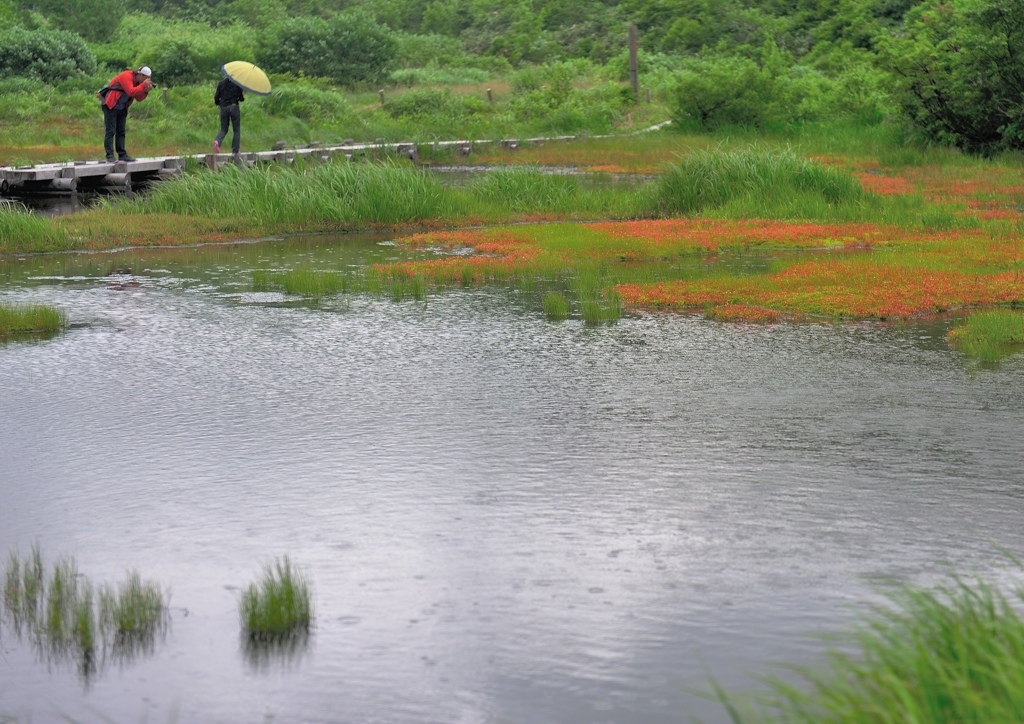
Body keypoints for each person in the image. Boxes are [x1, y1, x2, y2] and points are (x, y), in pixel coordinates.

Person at [98, 66, 153, 163]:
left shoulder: (138, 82)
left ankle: (122, 155)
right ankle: (110, 156)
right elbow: (131, 92)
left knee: (121, 131)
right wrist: (143, 86)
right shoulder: (126, 76)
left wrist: (145, 91)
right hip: (111, 104)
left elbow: (139, 98)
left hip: (122, 107)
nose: (147, 80)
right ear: (140, 75)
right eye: (146, 78)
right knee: (110, 131)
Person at [213, 75, 244, 155]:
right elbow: (241, 99)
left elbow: (216, 98)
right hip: (234, 107)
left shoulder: (221, 83)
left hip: (223, 108)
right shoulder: (237, 84)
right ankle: (235, 150)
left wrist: (219, 103)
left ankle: (217, 141)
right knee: (236, 130)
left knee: (223, 129)